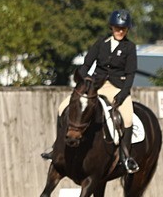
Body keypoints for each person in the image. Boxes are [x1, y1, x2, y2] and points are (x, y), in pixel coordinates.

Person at [42, 9, 140, 173]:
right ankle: (57, 148)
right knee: (62, 107)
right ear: (111, 27)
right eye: (117, 28)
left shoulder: (129, 47)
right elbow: (86, 65)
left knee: (128, 118)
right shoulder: (101, 43)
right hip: (96, 85)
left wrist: (122, 95)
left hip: (117, 87)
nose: (120, 31)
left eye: (123, 29)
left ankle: (126, 158)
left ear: (127, 29)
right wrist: (86, 81)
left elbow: (130, 74)